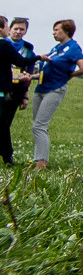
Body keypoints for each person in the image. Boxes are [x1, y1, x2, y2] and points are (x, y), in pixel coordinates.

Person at [32, 19, 83, 169]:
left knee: (39, 125)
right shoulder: (56, 48)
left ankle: (41, 162)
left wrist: (69, 75)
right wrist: (31, 76)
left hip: (55, 89)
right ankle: (37, 159)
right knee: (37, 125)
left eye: (57, 30)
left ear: (67, 31)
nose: (54, 33)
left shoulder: (73, 48)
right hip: (41, 88)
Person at [0, 18, 24, 166]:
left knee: (4, 124)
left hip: (12, 91)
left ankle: (7, 156)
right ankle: (7, 156)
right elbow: (22, 62)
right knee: (2, 124)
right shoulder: (4, 45)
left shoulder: (27, 48)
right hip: (3, 90)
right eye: (13, 28)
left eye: (22, 29)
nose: (16, 31)